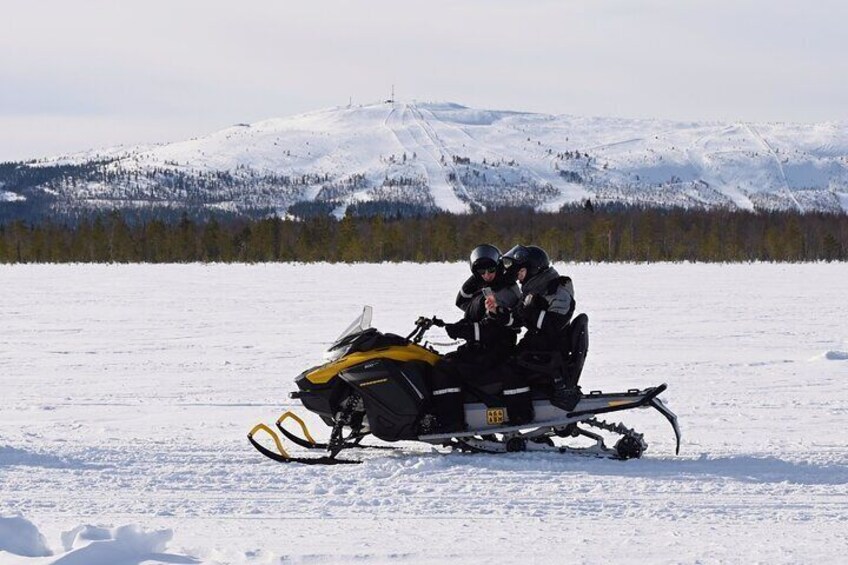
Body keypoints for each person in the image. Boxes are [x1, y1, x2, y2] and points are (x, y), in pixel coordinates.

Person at [423, 244, 521, 434]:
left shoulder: (503, 292)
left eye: (491, 270)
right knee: (440, 361)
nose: (486, 275)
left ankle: (451, 423)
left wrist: (462, 330)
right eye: (481, 272)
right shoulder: (489, 286)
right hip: (482, 348)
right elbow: (463, 302)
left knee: (444, 370)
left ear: (499, 267)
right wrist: (474, 278)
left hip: (494, 351)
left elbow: (491, 330)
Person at [492, 244, 585, 423]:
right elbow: (518, 318)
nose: (518, 279)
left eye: (519, 273)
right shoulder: (534, 291)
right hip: (538, 348)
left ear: (532, 270)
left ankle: (520, 416)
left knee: (509, 370)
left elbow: (554, 325)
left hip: (550, 352)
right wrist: (501, 315)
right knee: (500, 360)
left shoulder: (557, 289)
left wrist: (530, 312)